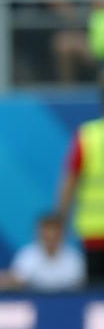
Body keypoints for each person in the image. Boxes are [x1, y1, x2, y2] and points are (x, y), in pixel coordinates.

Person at [58, 83, 104, 283]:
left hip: (92, 229)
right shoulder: (86, 135)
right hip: (92, 233)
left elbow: (69, 183)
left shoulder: (87, 135)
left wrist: (61, 221)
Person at [0, 213, 86, 292]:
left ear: (62, 235)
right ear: (38, 234)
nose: (50, 238)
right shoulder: (27, 255)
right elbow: (18, 281)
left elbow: (77, 286)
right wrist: (6, 281)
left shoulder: (74, 257)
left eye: (54, 234)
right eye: (46, 233)